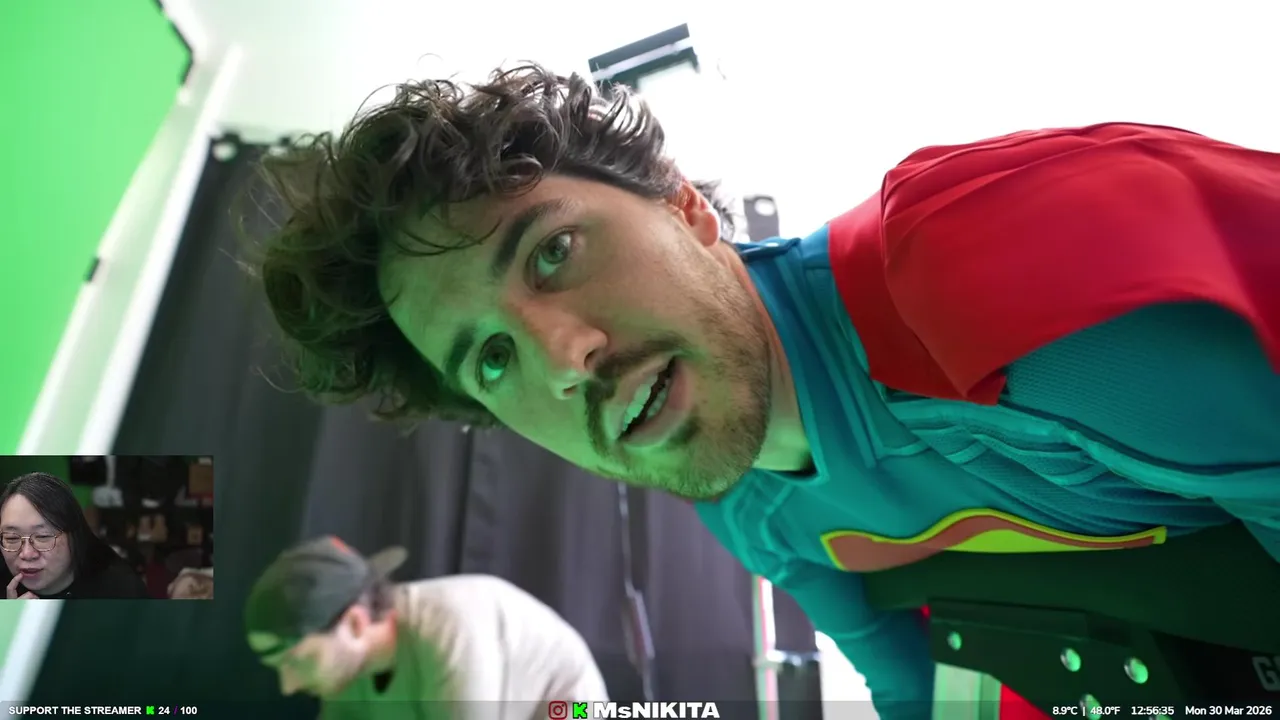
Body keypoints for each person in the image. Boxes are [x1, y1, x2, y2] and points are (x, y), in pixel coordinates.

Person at [245, 64, 1280, 719]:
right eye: (491, 360)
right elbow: (910, 686)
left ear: (686, 208)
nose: (562, 357)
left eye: (553, 249)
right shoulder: (743, 504)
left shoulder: (979, 268)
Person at [245, 536, 608, 716]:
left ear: (355, 624)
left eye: (294, 660)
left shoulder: (451, 629)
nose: (288, 686)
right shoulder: (341, 674)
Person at [1, 472, 149, 599]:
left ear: (74, 534)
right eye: (11, 538)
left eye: (43, 537)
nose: (27, 554)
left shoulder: (121, 590)